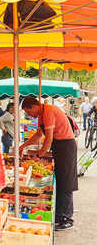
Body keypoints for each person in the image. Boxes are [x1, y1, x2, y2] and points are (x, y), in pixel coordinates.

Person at [19, 96, 77, 231]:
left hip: (66, 145)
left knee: (66, 182)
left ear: (33, 106)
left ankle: (67, 217)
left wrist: (40, 154)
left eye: (28, 112)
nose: (29, 115)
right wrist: (22, 146)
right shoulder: (41, 115)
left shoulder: (49, 111)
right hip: (59, 146)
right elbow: (38, 135)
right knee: (60, 181)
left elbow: (49, 137)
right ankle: (59, 214)